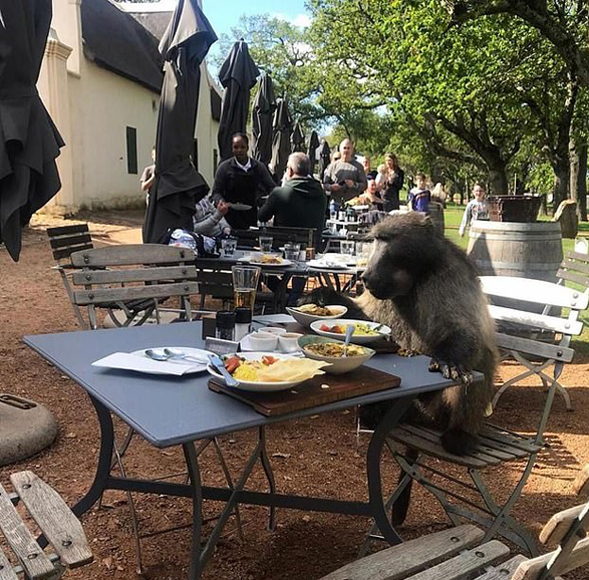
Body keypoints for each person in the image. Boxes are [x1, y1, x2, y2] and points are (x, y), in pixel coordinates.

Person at [258, 152, 327, 244]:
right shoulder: (321, 194)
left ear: (290, 171)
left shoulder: (279, 193)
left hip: (283, 249)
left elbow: (262, 216)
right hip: (312, 250)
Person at [212, 133, 276, 230]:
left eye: (242, 147)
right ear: (232, 148)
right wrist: (221, 202)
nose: (239, 150)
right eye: (236, 147)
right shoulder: (224, 168)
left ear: (247, 147)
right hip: (229, 217)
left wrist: (269, 204)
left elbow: (271, 187)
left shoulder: (258, 167)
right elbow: (216, 192)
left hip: (251, 215)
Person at [323, 138, 367, 205]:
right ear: (340, 149)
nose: (346, 150)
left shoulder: (358, 167)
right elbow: (324, 184)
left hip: (352, 203)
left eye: (348, 148)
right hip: (335, 202)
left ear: (352, 150)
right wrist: (331, 187)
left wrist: (354, 185)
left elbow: (364, 185)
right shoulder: (332, 166)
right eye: (344, 148)